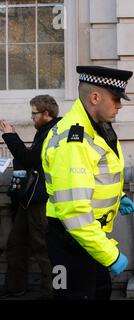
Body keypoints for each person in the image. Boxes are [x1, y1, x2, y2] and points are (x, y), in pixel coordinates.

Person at [41, 65, 134, 300]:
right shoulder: (74, 140)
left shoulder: (98, 127)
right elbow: (74, 211)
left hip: (90, 239)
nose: (120, 105)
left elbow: (96, 173)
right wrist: (110, 256)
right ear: (95, 97)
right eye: (116, 99)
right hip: (72, 241)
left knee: (99, 293)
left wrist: (119, 197)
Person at [0, 95, 61, 299]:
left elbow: (30, 159)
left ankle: (52, 291)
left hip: (40, 200)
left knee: (42, 247)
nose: (32, 117)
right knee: (16, 243)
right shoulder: (43, 131)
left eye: (34, 113)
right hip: (28, 198)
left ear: (46, 114)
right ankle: (15, 286)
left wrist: (10, 136)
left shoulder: (53, 133)